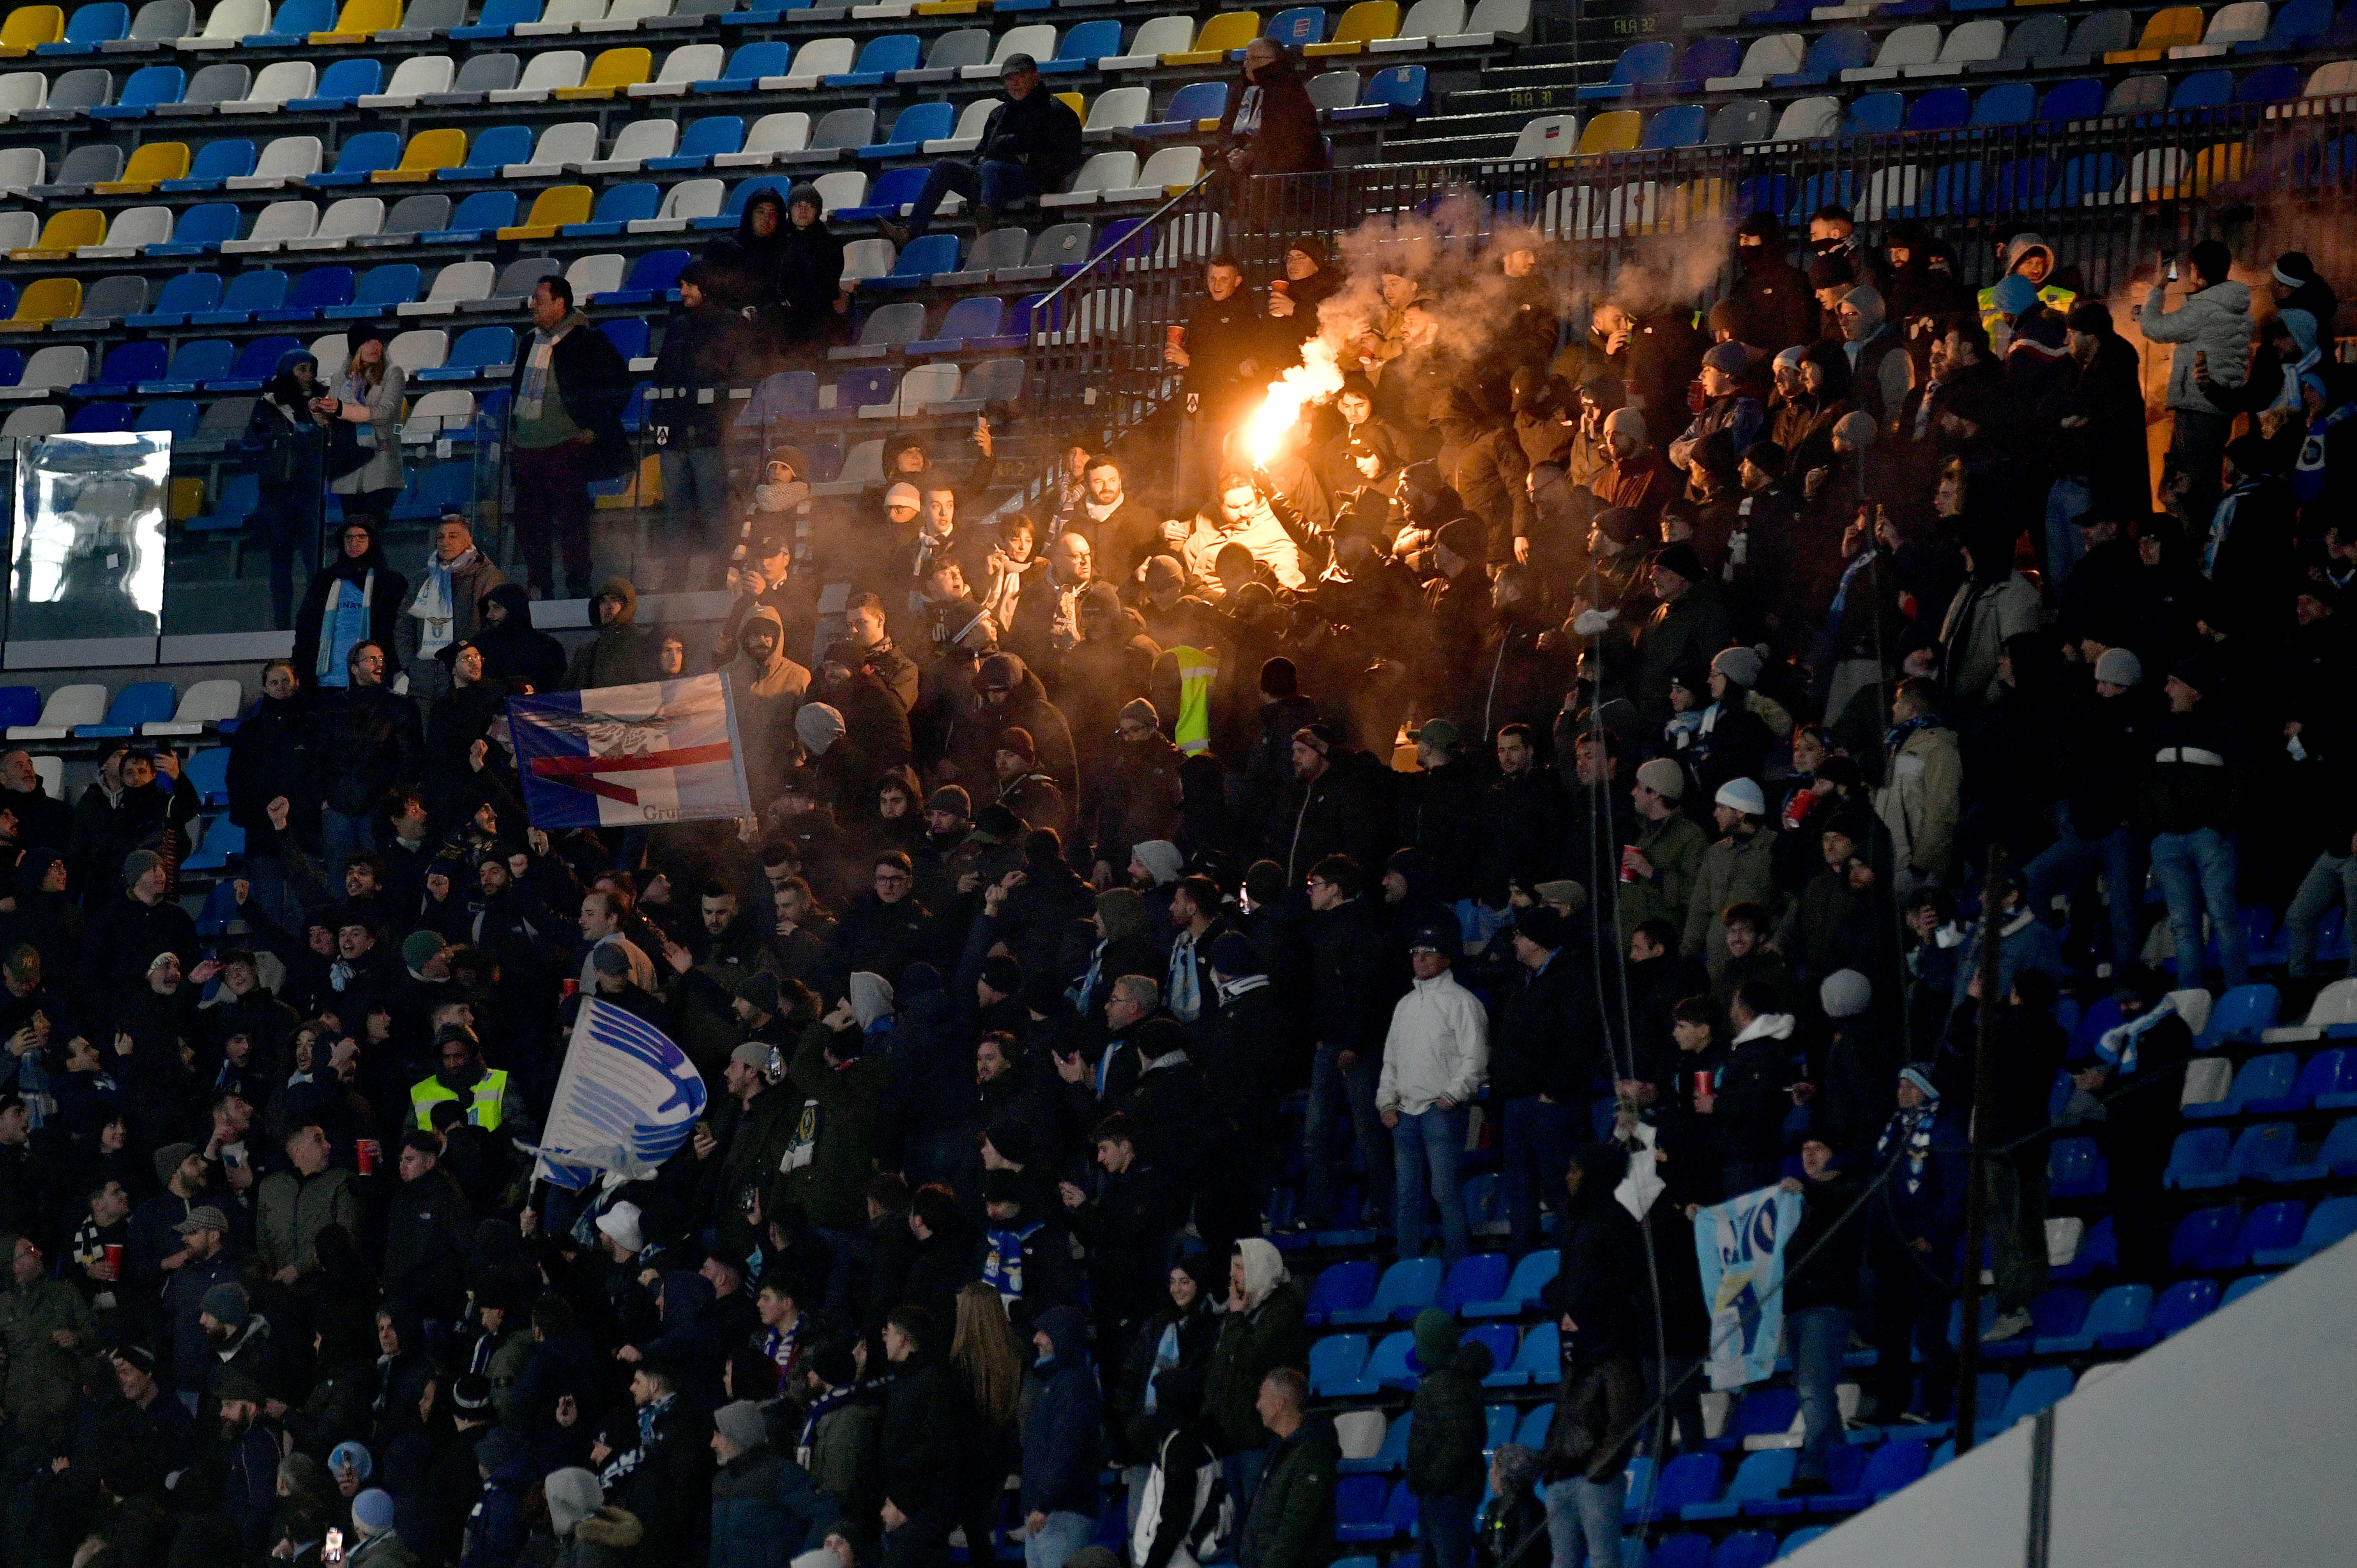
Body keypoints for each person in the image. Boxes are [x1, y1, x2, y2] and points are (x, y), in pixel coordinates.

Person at [508, 274, 633, 599]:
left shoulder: (589, 341)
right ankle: (539, 586)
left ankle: (578, 584)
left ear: (561, 304)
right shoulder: (528, 343)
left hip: (567, 447)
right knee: (530, 524)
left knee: (572, 521)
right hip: (527, 449)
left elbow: (619, 387)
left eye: (539, 299)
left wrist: (595, 429)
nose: (532, 305)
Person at [880, 54, 1084, 245]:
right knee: (945, 167)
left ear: (1036, 78)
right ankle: (910, 232)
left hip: (1036, 179)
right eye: (1010, 79)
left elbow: (1067, 157)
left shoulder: (1056, 112)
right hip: (993, 179)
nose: (1015, 84)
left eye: (1021, 78)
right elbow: (983, 150)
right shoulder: (1000, 114)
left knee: (992, 168)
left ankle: (985, 228)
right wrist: (980, 161)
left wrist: (1021, 152)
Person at [1376, 924, 1488, 1267]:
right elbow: (1390, 1060)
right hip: (1406, 1113)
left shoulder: (1463, 1003)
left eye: (1428, 952)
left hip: (1441, 1111)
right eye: (1415, 953)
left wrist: (1453, 1096)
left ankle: (1459, 1268)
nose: (1420, 959)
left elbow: (1476, 1058)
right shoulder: (1405, 1005)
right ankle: (1408, 1271)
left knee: (1445, 1193)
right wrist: (1386, 1102)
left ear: (1446, 958)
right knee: (1408, 1197)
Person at [2138, 240, 2250, 529]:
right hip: (2218, 407)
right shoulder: (2236, 307)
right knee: (2203, 479)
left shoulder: (2205, 309)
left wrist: (2159, 288)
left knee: (2190, 485)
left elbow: (2155, 328)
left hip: (2197, 407)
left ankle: (2202, 545)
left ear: (2198, 272)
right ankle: (2208, 542)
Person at [244, 347, 332, 628]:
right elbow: (250, 441)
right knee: (280, 563)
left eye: (311, 369)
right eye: (302, 369)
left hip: (309, 492)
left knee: (313, 562)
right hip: (277, 493)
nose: (308, 376)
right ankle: (282, 623)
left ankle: (313, 623)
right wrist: (276, 438)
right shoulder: (268, 404)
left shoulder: (323, 404)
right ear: (288, 372)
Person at [397, 512, 507, 706]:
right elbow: (404, 625)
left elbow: (495, 628)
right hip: (424, 684)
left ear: (469, 541)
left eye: (453, 536)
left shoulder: (488, 577)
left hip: (469, 686)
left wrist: (475, 666)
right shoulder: (423, 578)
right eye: (441, 537)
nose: (445, 542)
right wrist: (410, 665)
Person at [1233, 1368, 1337, 1568]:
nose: (1258, 1405)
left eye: (1262, 1397)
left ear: (1280, 1404)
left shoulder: (1312, 1453)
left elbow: (1295, 1528)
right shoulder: (1278, 1450)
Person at [293, 517, 410, 695]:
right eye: (349, 538)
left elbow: (398, 631)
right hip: (326, 681)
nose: (354, 543)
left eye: (361, 537)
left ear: (372, 541)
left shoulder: (390, 583)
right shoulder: (324, 581)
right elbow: (306, 628)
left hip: (373, 681)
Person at [322, 322, 408, 527]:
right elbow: (332, 413)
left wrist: (344, 410)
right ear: (356, 348)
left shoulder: (393, 373)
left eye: (378, 342)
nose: (375, 347)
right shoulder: (341, 378)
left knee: (373, 532)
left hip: (380, 467)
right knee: (351, 534)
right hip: (349, 468)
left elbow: (385, 413)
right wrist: (319, 409)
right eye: (368, 342)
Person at [1214, 39, 1325, 183]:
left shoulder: (1289, 90)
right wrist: (1232, 150)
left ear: (1274, 61)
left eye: (1254, 59)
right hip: (1247, 155)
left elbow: (1285, 136)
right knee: (1218, 174)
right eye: (1246, 59)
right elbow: (1225, 127)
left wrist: (1250, 155)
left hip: (1285, 162)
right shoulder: (1240, 91)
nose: (1247, 64)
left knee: (1263, 170)